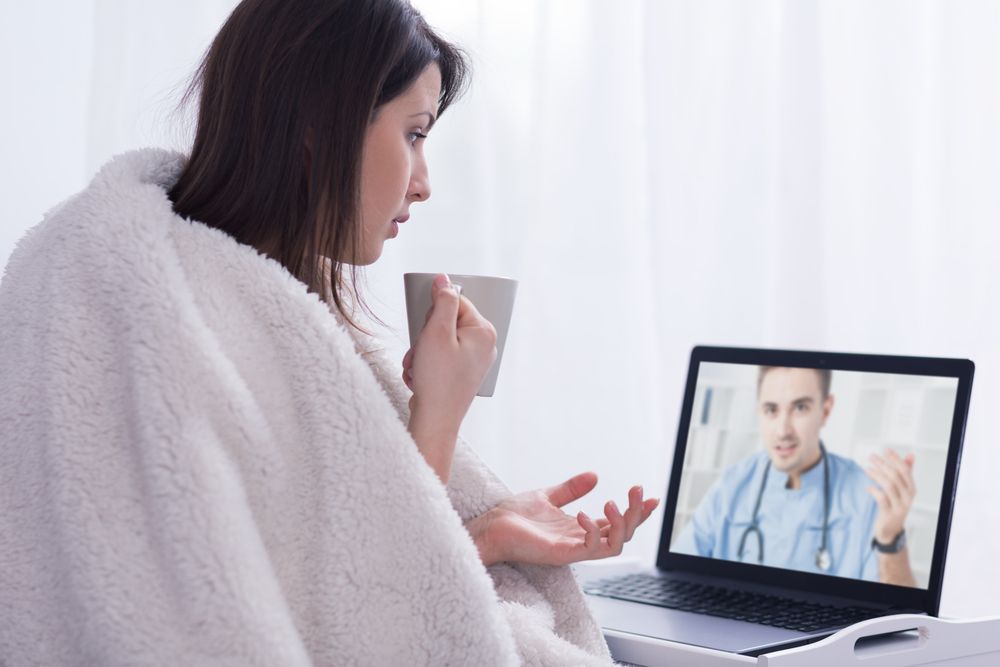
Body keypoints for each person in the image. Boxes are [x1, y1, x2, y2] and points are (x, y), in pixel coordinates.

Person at [0, 1, 657, 664]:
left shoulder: (204, 293)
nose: (423, 182)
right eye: (414, 134)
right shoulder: (176, 321)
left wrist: (477, 538)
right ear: (321, 124)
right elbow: (359, 629)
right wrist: (437, 416)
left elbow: (310, 578)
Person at [674, 366, 917, 587]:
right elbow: (677, 576)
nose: (782, 431)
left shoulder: (866, 495)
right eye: (771, 410)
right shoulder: (732, 484)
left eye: (800, 408)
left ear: (825, 410)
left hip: (829, 636)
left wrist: (890, 539)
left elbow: (896, 618)